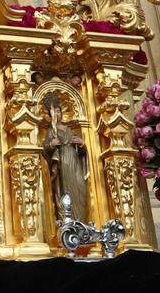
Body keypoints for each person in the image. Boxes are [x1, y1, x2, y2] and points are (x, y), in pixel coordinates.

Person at [42, 92, 89, 223]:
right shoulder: (51, 131)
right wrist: (51, 144)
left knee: (80, 188)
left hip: (74, 162)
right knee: (65, 190)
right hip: (62, 162)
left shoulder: (68, 129)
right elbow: (45, 147)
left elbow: (82, 151)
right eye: (54, 112)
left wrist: (82, 144)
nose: (57, 114)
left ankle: (80, 221)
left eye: (59, 112)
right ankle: (67, 222)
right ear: (50, 115)